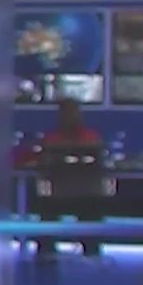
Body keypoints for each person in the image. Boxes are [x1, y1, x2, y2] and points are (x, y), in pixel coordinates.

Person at [34, 99, 105, 260]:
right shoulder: (88, 138)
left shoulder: (87, 138)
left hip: (72, 196)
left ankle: (49, 253)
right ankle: (49, 254)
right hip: (72, 195)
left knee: (50, 211)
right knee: (49, 212)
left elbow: (43, 166)